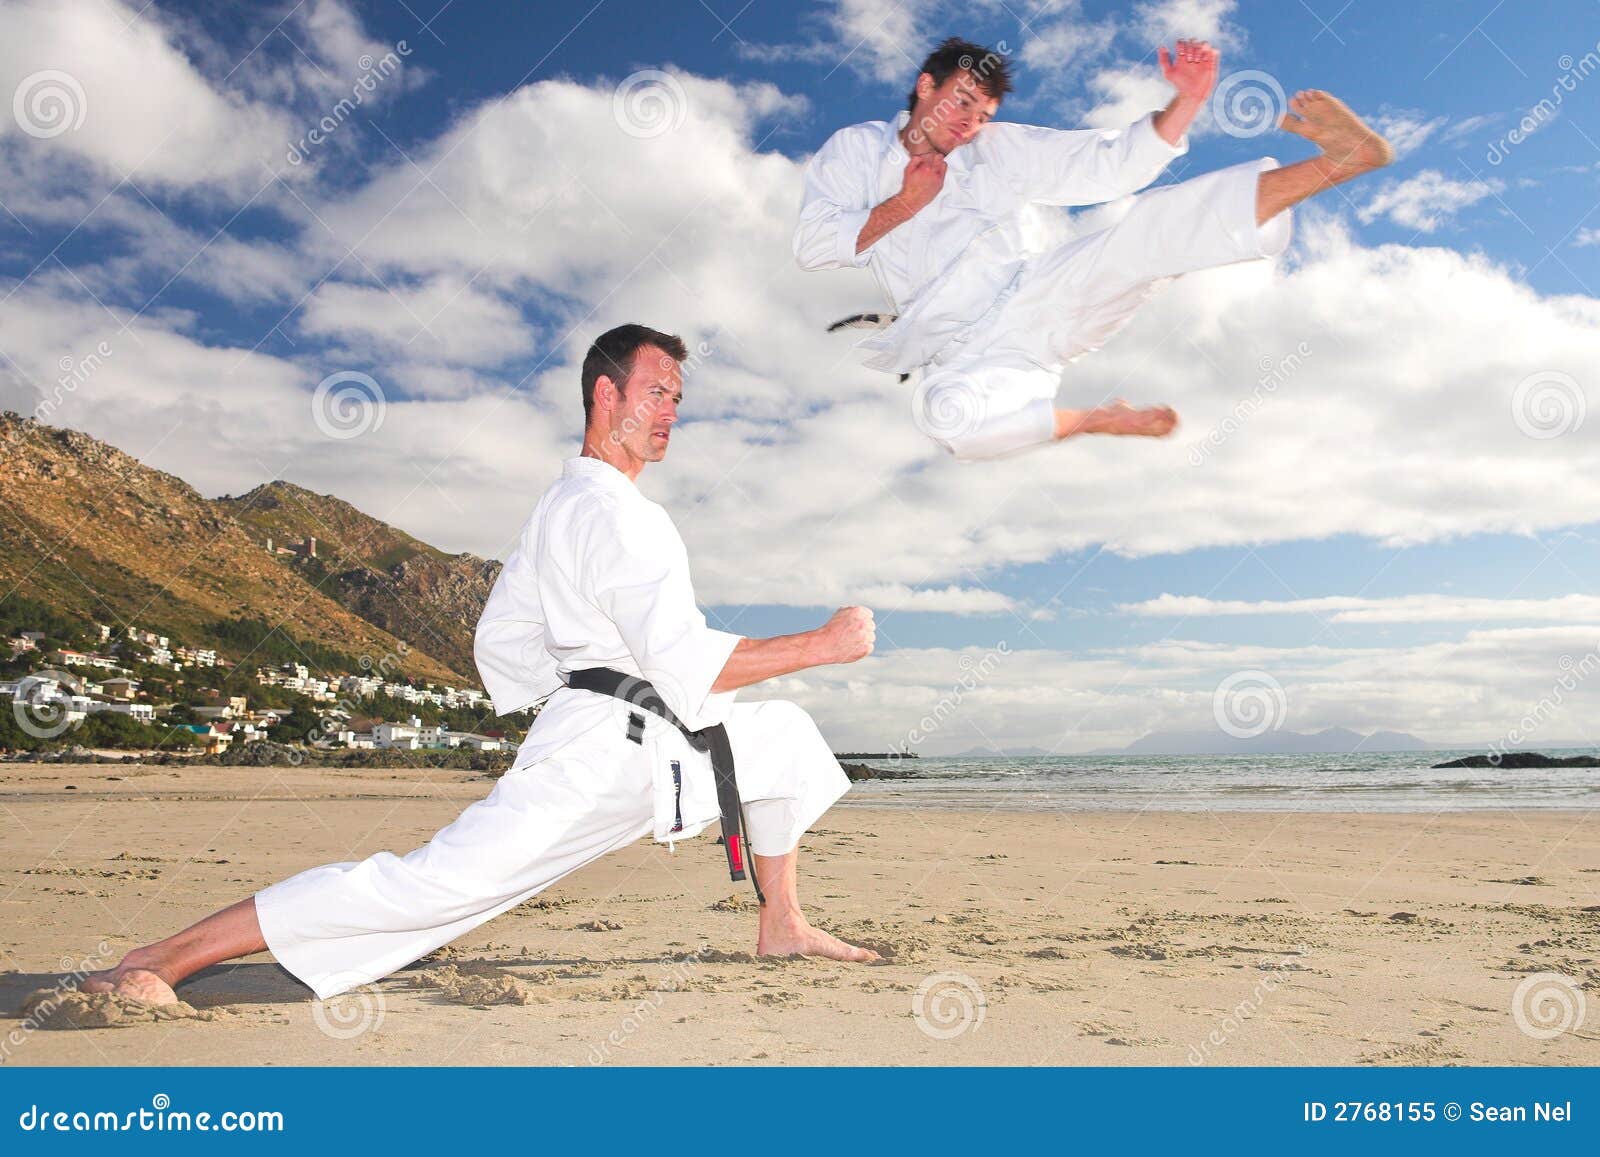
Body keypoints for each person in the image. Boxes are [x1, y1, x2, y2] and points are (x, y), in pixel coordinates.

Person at [85, 323, 880, 1006]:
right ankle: (163, 957)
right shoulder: (610, 513)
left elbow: (502, 635)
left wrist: (575, 679)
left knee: (784, 738)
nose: (671, 411)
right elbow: (680, 660)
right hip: (603, 749)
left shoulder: (566, 503)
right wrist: (823, 643)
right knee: (433, 886)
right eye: (657, 391)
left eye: (678, 397)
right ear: (605, 394)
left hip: (638, 735)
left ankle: (782, 920)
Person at [795, 36, 1393, 460]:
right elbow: (816, 246)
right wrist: (906, 203)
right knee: (947, 419)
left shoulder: (997, 149)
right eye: (961, 101)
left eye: (982, 113)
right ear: (926, 86)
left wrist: (1186, 101)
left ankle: (1345, 159)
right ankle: (1094, 419)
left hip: (1036, 287)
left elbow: (1106, 166)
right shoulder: (858, 150)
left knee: (1151, 233)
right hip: (968, 349)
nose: (968, 122)